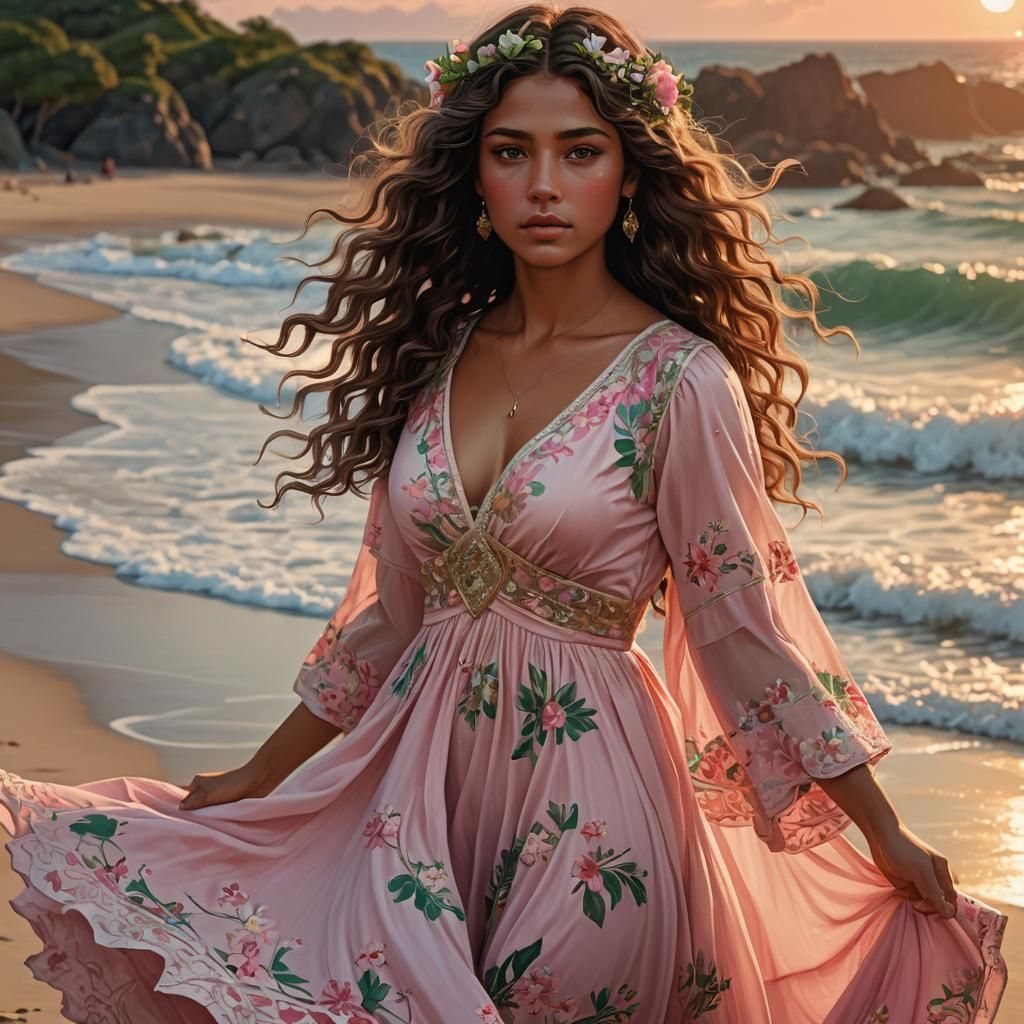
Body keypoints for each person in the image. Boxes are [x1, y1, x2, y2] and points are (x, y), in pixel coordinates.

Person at [0, 5, 1009, 1022]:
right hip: (410, 800)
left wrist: (880, 827)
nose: (542, 184)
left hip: (593, 815)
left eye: (579, 153)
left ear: (628, 176)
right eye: (510, 152)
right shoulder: (435, 363)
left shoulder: (678, 379)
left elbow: (737, 628)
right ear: (472, 175)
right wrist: (262, 773)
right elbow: (390, 619)